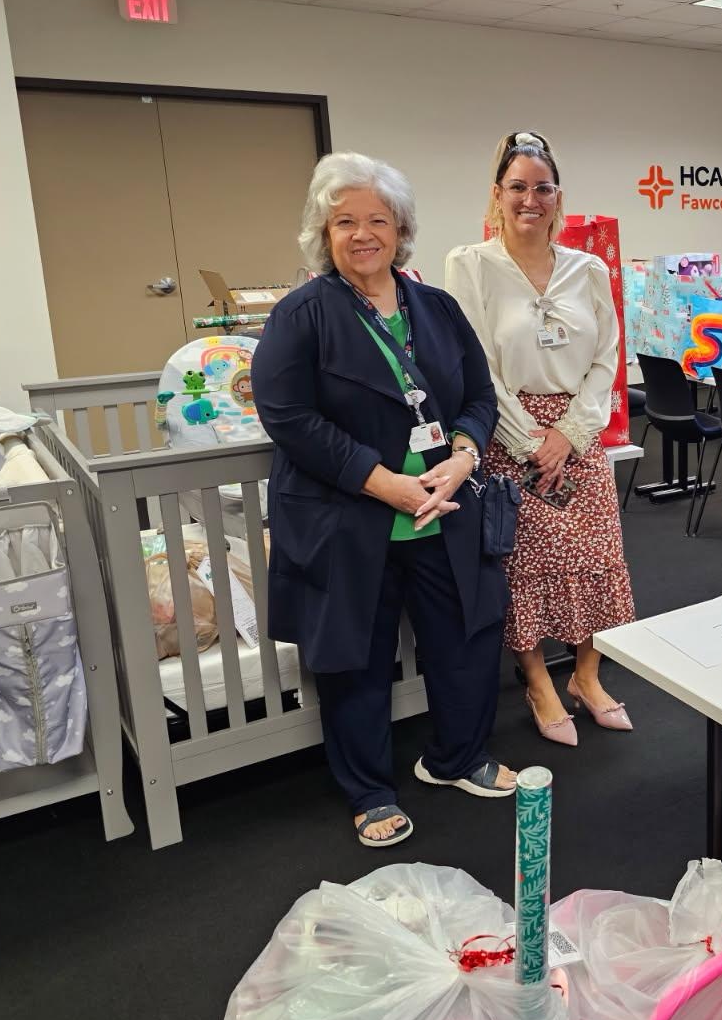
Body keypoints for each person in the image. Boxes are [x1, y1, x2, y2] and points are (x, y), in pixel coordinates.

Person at [252, 151, 516, 849]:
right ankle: (369, 791)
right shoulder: (301, 316)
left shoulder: (437, 308)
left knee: (466, 639)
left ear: (401, 230)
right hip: (352, 517)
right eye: (346, 222)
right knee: (355, 660)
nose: (363, 234)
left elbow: (479, 397)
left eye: (378, 220)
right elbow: (289, 418)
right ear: (324, 232)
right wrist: (385, 483)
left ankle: (456, 758)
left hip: (445, 510)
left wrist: (462, 456)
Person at [445, 131, 636, 747]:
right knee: (524, 566)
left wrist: (571, 435)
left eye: (543, 188)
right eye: (518, 187)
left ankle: (586, 674)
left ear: (559, 197)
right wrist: (532, 442)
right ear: (498, 195)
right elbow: (476, 365)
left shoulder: (590, 269)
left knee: (596, 557)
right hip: (510, 437)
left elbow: (606, 358)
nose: (531, 199)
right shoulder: (469, 265)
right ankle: (536, 680)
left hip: (579, 437)